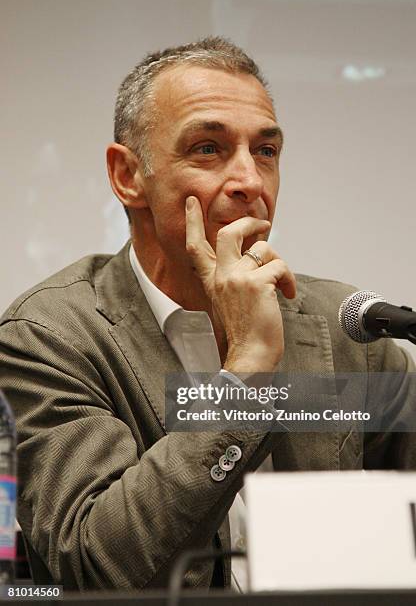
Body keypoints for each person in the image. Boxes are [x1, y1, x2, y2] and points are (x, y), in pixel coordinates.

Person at [0, 37, 414, 592]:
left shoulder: (347, 331)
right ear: (127, 176)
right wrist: (244, 375)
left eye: (265, 152)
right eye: (207, 149)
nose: (250, 181)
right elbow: (95, 565)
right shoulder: (51, 338)